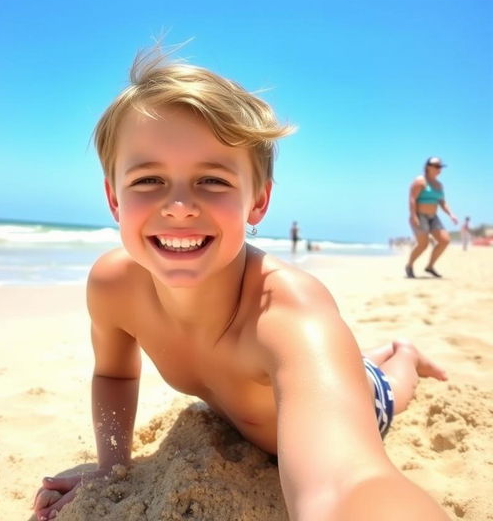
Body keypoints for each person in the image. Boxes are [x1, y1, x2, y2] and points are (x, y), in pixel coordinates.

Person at [33, 46, 449, 521]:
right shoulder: (114, 286)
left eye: (212, 180)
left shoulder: (288, 312)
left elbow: (346, 480)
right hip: (296, 376)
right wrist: (112, 466)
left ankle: (405, 355)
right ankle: (363, 356)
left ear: (258, 202)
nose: (179, 206)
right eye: (148, 180)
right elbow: (113, 374)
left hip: (365, 398)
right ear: (114, 198)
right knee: (340, 361)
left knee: (387, 382)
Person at [405, 157, 458, 278]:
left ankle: (429, 266)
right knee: (423, 244)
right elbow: (412, 199)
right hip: (419, 216)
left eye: (441, 167)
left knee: (445, 240)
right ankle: (409, 265)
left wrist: (451, 214)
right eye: (437, 166)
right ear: (428, 166)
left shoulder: (439, 185)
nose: (439, 169)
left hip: (433, 216)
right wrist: (413, 216)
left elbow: (442, 202)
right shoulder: (420, 181)